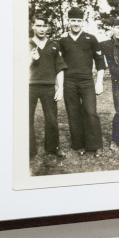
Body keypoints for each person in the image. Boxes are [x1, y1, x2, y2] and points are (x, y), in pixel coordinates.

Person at [58, 7, 106, 155]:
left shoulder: (91, 39)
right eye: (73, 20)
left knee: (90, 112)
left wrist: (99, 82)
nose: (76, 23)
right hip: (69, 82)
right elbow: (58, 64)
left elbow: (100, 62)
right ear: (68, 21)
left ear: (83, 22)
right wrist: (60, 86)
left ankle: (96, 145)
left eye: (79, 20)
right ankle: (79, 145)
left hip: (87, 81)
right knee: (73, 113)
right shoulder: (62, 41)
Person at [28, 16, 66, 160]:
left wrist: (60, 88)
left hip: (49, 86)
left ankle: (53, 147)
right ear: (32, 26)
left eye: (44, 26)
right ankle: (29, 149)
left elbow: (60, 68)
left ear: (48, 27)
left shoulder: (54, 45)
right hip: (29, 86)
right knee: (27, 118)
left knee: (51, 118)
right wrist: (31, 59)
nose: (42, 29)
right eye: (38, 25)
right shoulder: (26, 44)